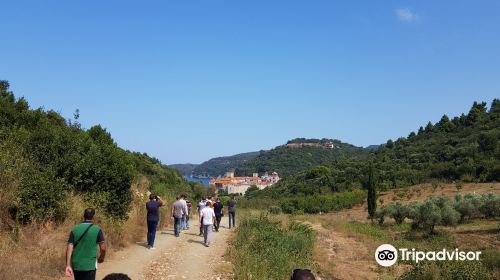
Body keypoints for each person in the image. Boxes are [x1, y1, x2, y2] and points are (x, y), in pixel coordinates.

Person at [65, 208, 106, 280]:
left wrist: (68, 265)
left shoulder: (75, 229)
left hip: (77, 264)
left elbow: (69, 247)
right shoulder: (97, 229)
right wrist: (101, 257)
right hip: (90, 265)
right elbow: (103, 248)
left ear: (84, 216)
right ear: (94, 217)